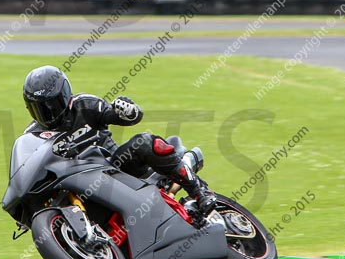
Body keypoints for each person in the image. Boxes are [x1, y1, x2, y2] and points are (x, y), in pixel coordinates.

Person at [22, 65, 214, 214]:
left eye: (52, 105)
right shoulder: (32, 134)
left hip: (116, 169)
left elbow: (126, 116)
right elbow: (28, 170)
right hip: (77, 185)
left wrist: (127, 111)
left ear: (65, 95)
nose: (49, 113)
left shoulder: (85, 105)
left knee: (144, 142)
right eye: (40, 108)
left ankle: (200, 191)